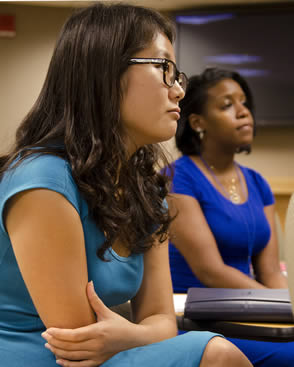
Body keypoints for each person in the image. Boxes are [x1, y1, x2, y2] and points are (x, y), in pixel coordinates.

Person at [0, 5, 253, 367]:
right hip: (42, 359)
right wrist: (140, 332)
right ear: (105, 72)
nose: (179, 89)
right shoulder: (42, 179)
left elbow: (163, 320)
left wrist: (132, 333)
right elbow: (78, 344)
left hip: (111, 353)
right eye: (164, 68)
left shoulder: (146, 188)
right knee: (218, 353)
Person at [167, 67, 294, 366]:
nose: (243, 112)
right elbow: (210, 270)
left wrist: (286, 309)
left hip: (250, 312)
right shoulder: (177, 177)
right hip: (195, 319)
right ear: (198, 123)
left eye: (244, 103)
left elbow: (271, 272)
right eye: (227, 105)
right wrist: (280, 308)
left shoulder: (258, 182)